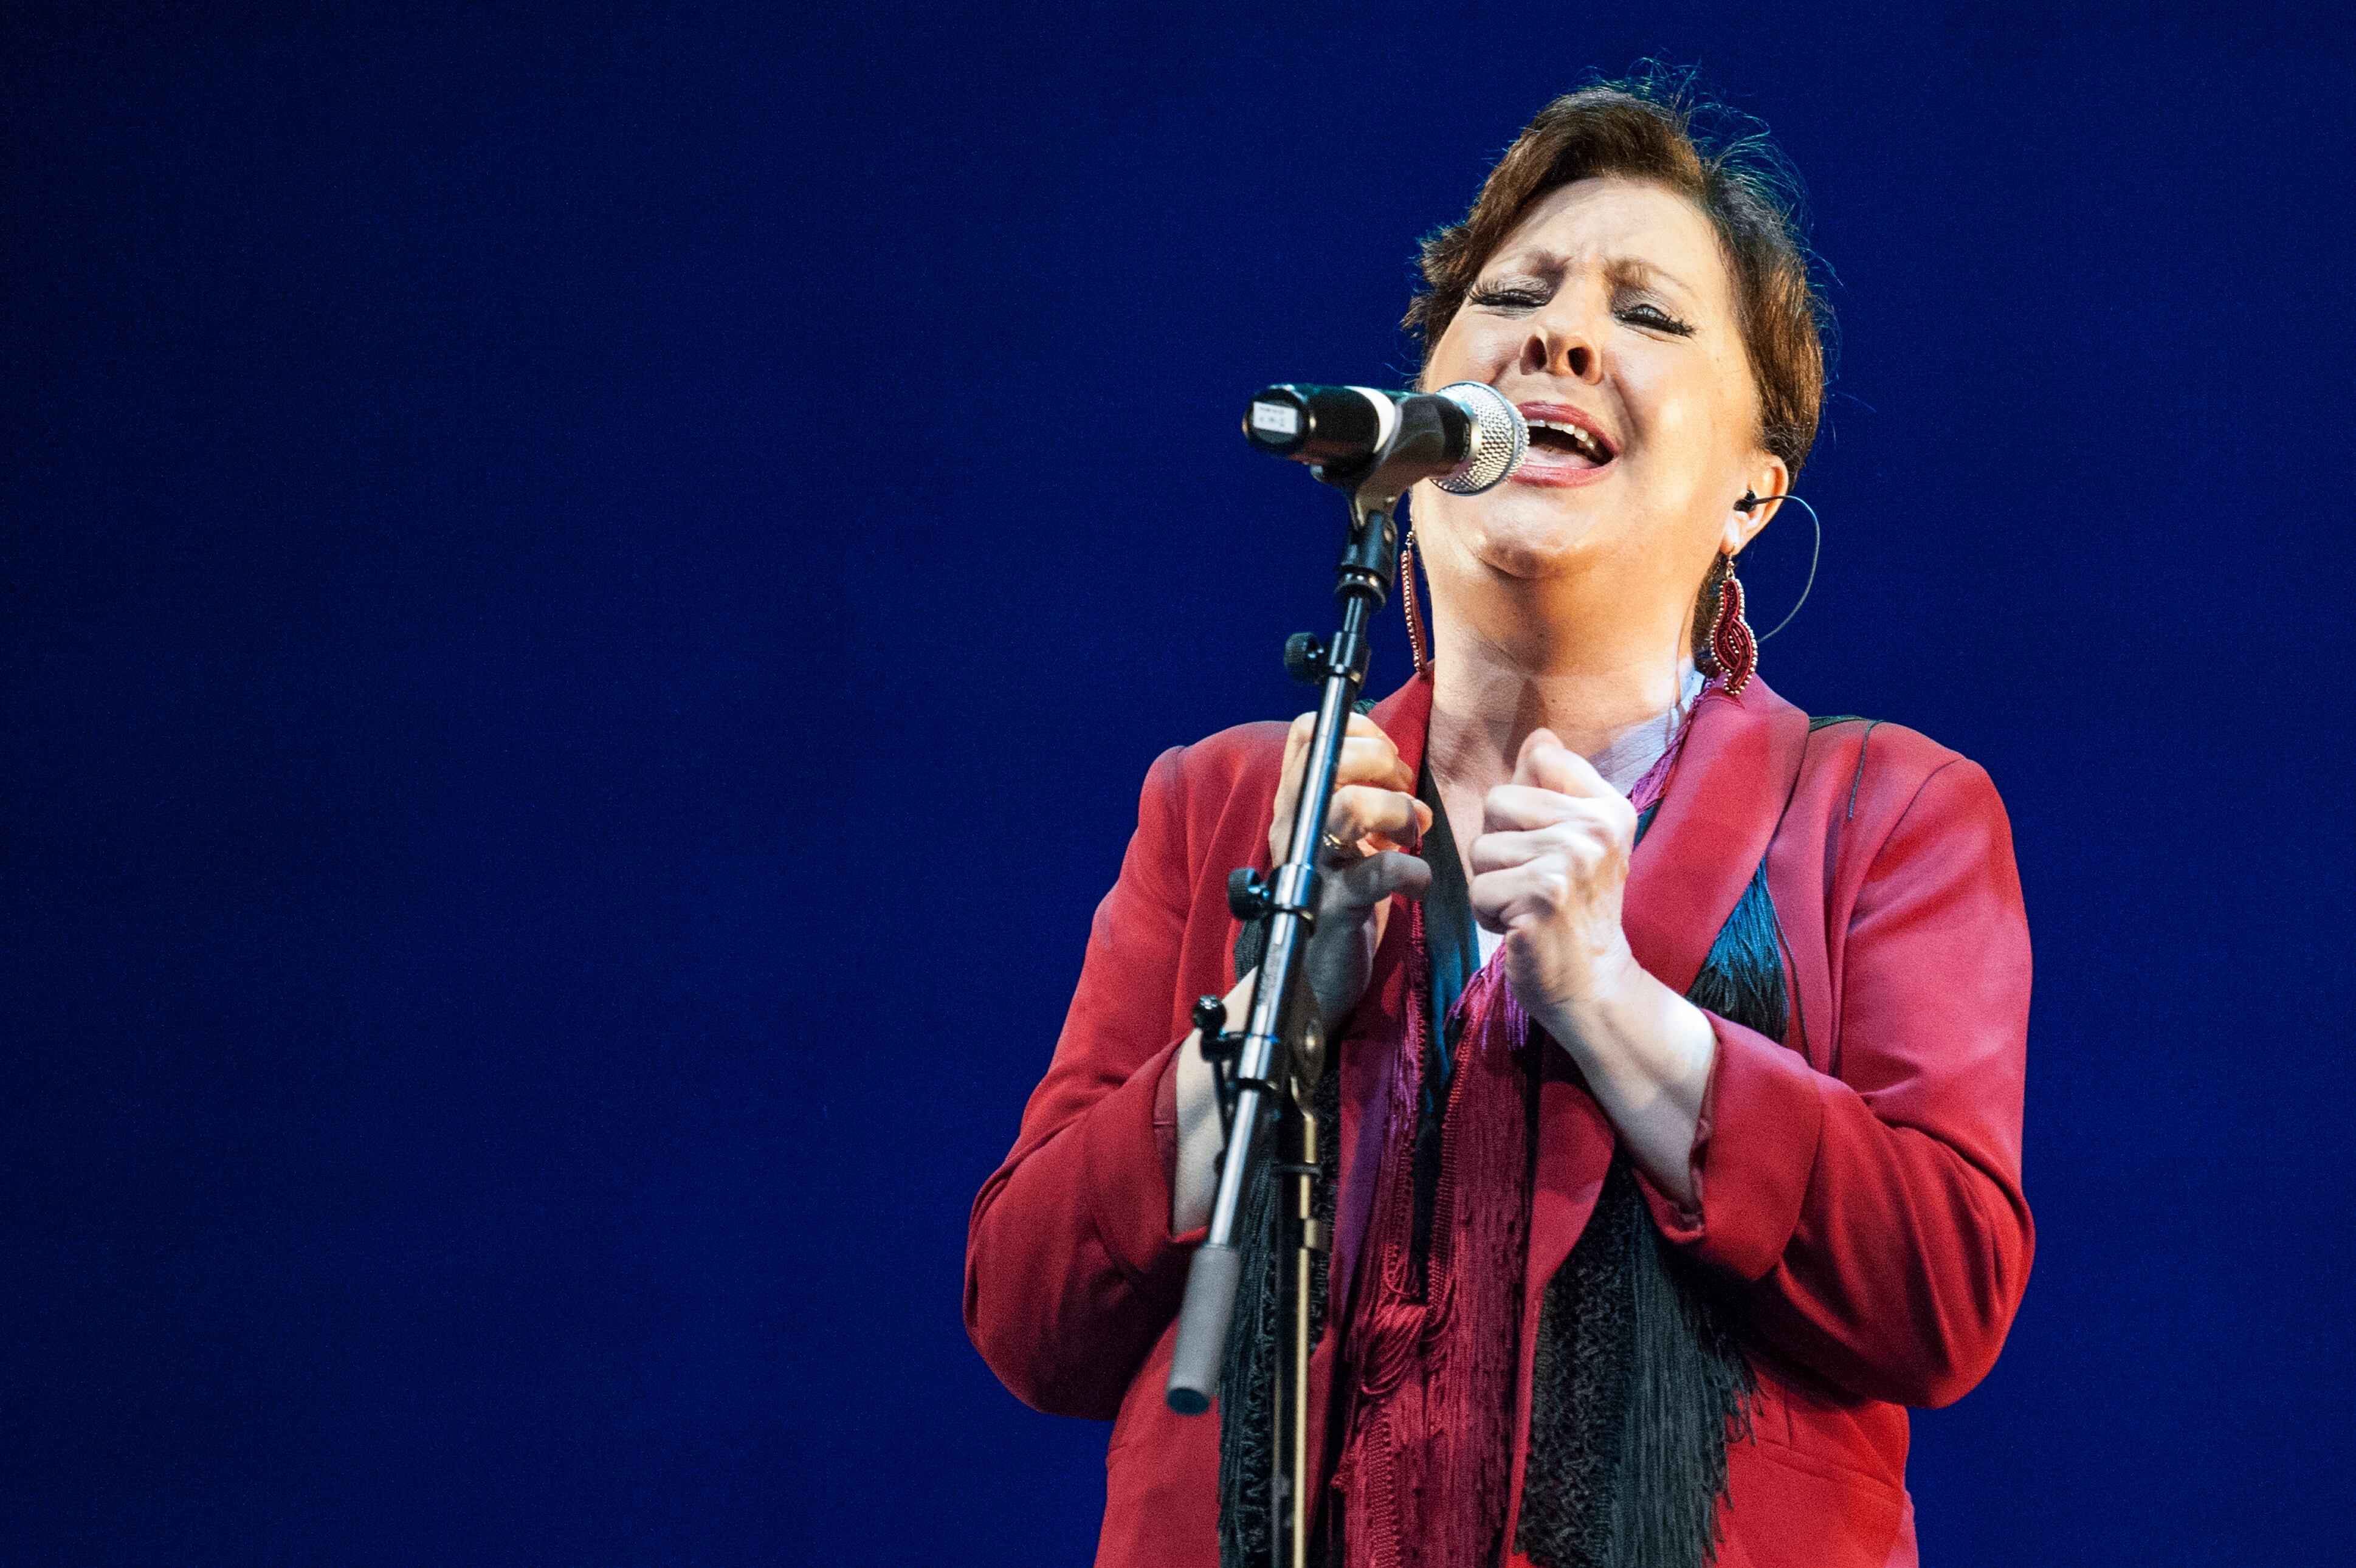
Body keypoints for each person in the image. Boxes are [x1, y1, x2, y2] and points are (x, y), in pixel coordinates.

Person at [965, 77, 2031, 1568]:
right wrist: (1268, 1014)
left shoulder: (1885, 813)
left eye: (1649, 315)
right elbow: (1027, 1313)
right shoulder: (1219, 804)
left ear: (1751, 491)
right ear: (1420, 434)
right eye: (1513, 294)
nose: (1562, 334)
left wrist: (1616, 1005)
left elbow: (1945, 1287)